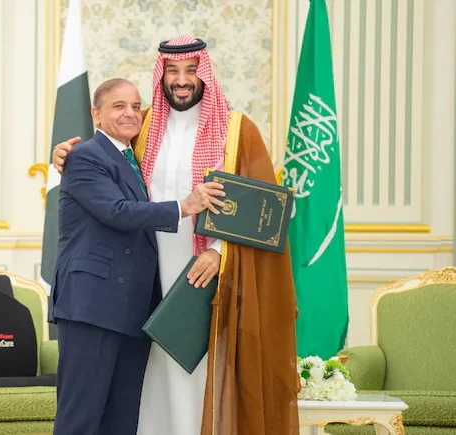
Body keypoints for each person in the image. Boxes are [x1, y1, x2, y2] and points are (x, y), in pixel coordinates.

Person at [53, 36, 300, 435]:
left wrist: (218, 251)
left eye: (190, 70)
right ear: (161, 75)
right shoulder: (143, 126)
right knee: (139, 390)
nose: (181, 80)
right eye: (172, 71)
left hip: (205, 276)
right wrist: (64, 153)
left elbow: (265, 212)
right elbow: (104, 170)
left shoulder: (236, 130)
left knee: (196, 375)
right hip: (139, 287)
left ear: (205, 74)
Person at [48, 77, 226, 435]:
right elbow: (117, 211)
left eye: (135, 106)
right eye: (118, 106)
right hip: (92, 306)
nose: (130, 113)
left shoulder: (135, 156)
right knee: (81, 417)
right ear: (96, 114)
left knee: (122, 419)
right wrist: (185, 206)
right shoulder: (85, 156)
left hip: (132, 309)